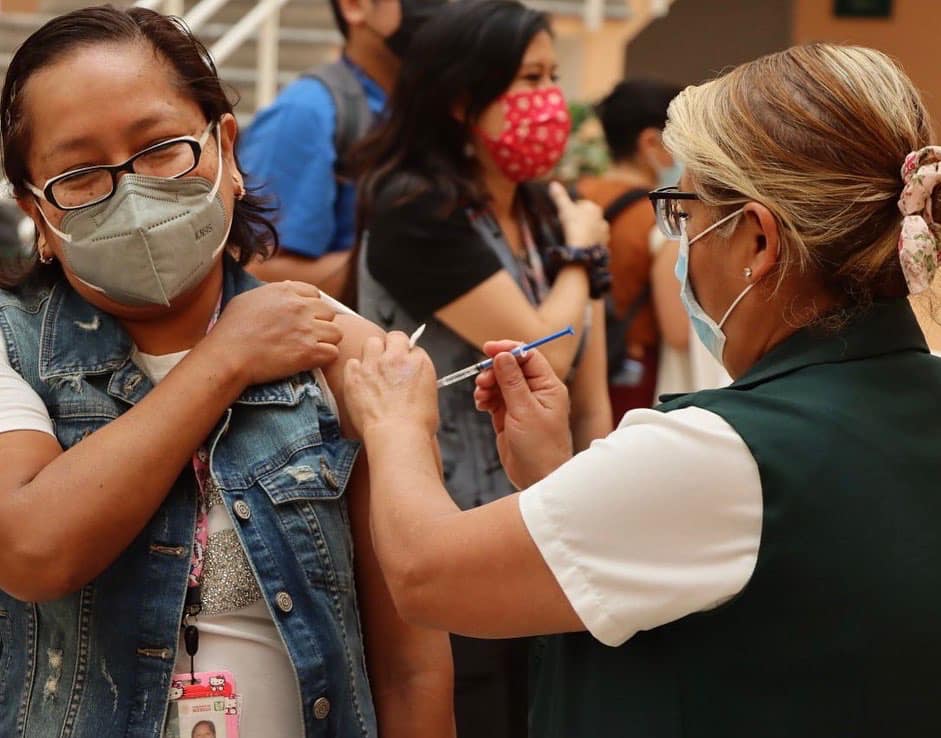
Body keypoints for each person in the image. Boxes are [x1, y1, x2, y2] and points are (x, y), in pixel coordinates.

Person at [341, 43, 941, 737]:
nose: (683, 246)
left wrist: (395, 421)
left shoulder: (722, 453)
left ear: (756, 241)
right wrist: (556, 478)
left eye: (685, 214)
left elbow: (425, 575)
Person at [0, 7, 452, 738]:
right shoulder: (8, 346)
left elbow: (411, 666)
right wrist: (224, 358)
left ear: (227, 150)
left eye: (161, 149)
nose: (132, 192)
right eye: (80, 175)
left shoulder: (344, 356)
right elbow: (32, 551)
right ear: (35, 211)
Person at [352, 1, 611, 734]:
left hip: (542, 523)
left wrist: (592, 512)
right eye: (529, 78)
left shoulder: (545, 211)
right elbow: (542, 351)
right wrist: (582, 257)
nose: (550, 99)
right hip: (449, 527)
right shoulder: (416, 212)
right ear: (462, 99)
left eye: (553, 76)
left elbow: (584, 392)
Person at [239, 0, 443, 297]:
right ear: (354, 5)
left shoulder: (438, 107)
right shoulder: (306, 112)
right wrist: (419, 265)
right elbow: (255, 270)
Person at [578, 79, 683, 417]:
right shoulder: (660, 219)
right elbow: (679, 330)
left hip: (575, 359)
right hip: (633, 370)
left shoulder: (574, 197)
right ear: (650, 141)